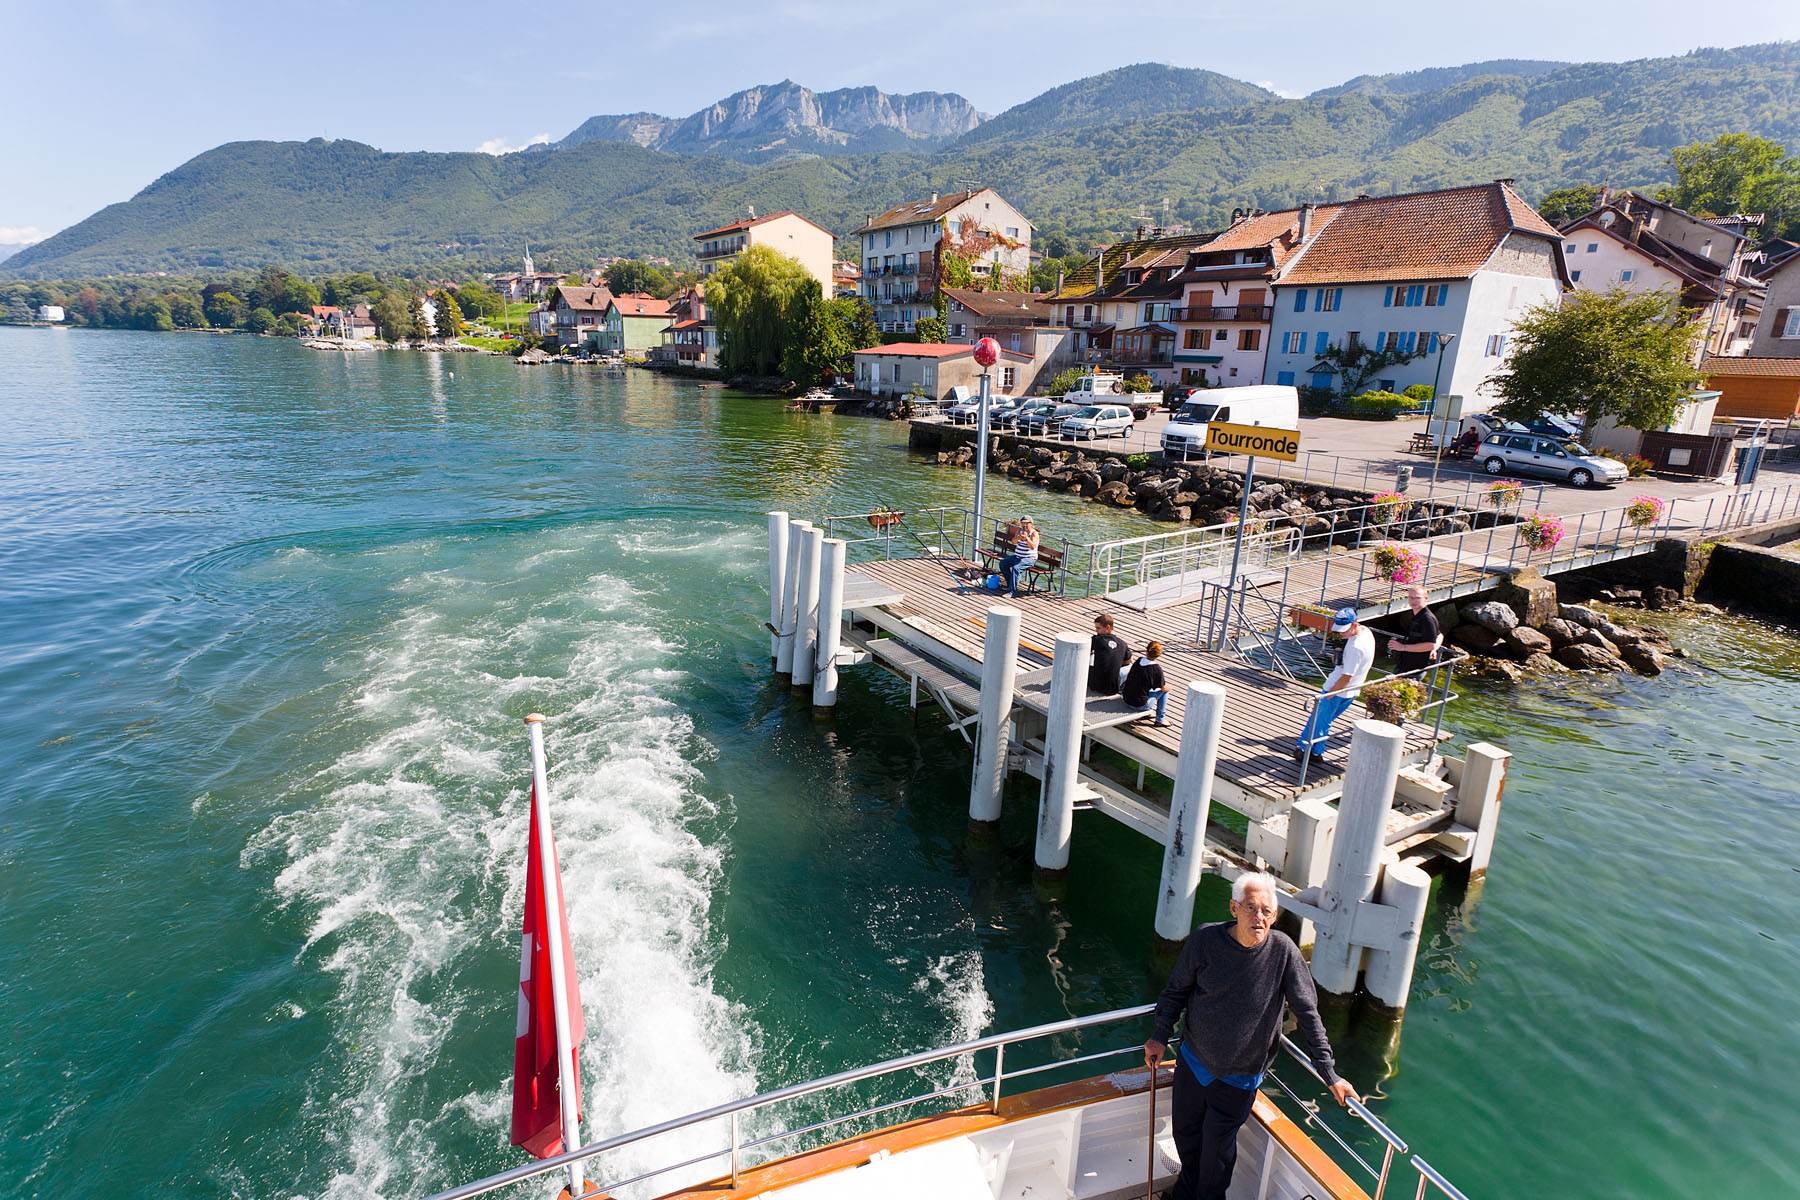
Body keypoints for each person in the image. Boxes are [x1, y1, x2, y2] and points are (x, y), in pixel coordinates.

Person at [1145, 873, 1357, 1200]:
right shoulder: (1204, 941)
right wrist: (1160, 1036)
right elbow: (1175, 992)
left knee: (1216, 1156)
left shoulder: (1284, 953)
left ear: (1274, 916)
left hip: (1240, 1079)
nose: (1259, 916)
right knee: (1186, 1139)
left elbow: (1308, 1014)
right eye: (1251, 907)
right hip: (1193, 1064)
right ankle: (1183, 1194)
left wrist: (1329, 1074)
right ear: (1234, 908)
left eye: (1266, 911)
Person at [1294, 607, 1374, 760]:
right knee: (1323, 720)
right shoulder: (1366, 632)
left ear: (1354, 624)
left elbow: (1346, 677)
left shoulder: (1356, 647)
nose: (1341, 633)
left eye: (1344, 630)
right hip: (1352, 690)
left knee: (1319, 720)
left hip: (1337, 690)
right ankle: (1316, 750)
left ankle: (1305, 748)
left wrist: (1330, 694)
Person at [1386, 585, 1442, 676]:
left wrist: (1402, 647)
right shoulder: (1418, 615)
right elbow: (1439, 635)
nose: (1413, 601)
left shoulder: (1427, 619)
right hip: (1405, 666)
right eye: (1411, 598)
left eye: (1418, 598)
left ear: (1426, 599)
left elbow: (1430, 645)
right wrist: (1434, 649)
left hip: (1413, 670)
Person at [1121, 640, 1169, 725]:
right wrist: (1170, 687)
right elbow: (1163, 688)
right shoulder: (1156, 669)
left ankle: (1149, 713)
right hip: (1139, 705)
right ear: (1159, 655)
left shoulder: (1139, 661)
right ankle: (1160, 719)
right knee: (1165, 691)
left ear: (1146, 651)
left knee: (1143, 687)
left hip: (1127, 700)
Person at [996, 516, 1039, 598]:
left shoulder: (1034, 533)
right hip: (1017, 556)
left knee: (1016, 568)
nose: (1025, 526)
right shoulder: (1019, 530)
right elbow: (1013, 542)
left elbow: (1033, 546)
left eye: (1026, 524)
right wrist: (1019, 537)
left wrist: (1027, 538)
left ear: (1031, 524)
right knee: (1003, 563)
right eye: (1023, 524)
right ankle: (1010, 585)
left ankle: (1013, 591)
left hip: (1029, 558)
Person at [1089, 613, 1131, 695]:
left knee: (1092, 655)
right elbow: (1128, 661)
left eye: (1098, 628)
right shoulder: (1122, 644)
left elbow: (1086, 653)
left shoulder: (1096, 639)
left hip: (1095, 684)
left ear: (1107, 627)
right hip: (1113, 688)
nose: (1096, 631)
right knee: (1131, 666)